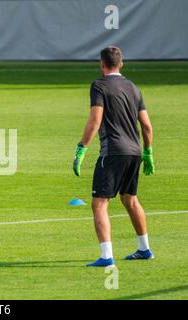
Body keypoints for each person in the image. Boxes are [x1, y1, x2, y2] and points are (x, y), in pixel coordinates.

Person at [73, 46, 155, 267]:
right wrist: (148, 152)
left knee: (99, 203)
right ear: (121, 64)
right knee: (130, 199)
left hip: (113, 152)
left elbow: (95, 120)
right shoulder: (133, 87)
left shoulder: (99, 86)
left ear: (102, 64)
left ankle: (107, 256)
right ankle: (144, 249)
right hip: (135, 151)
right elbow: (146, 125)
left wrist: (82, 148)